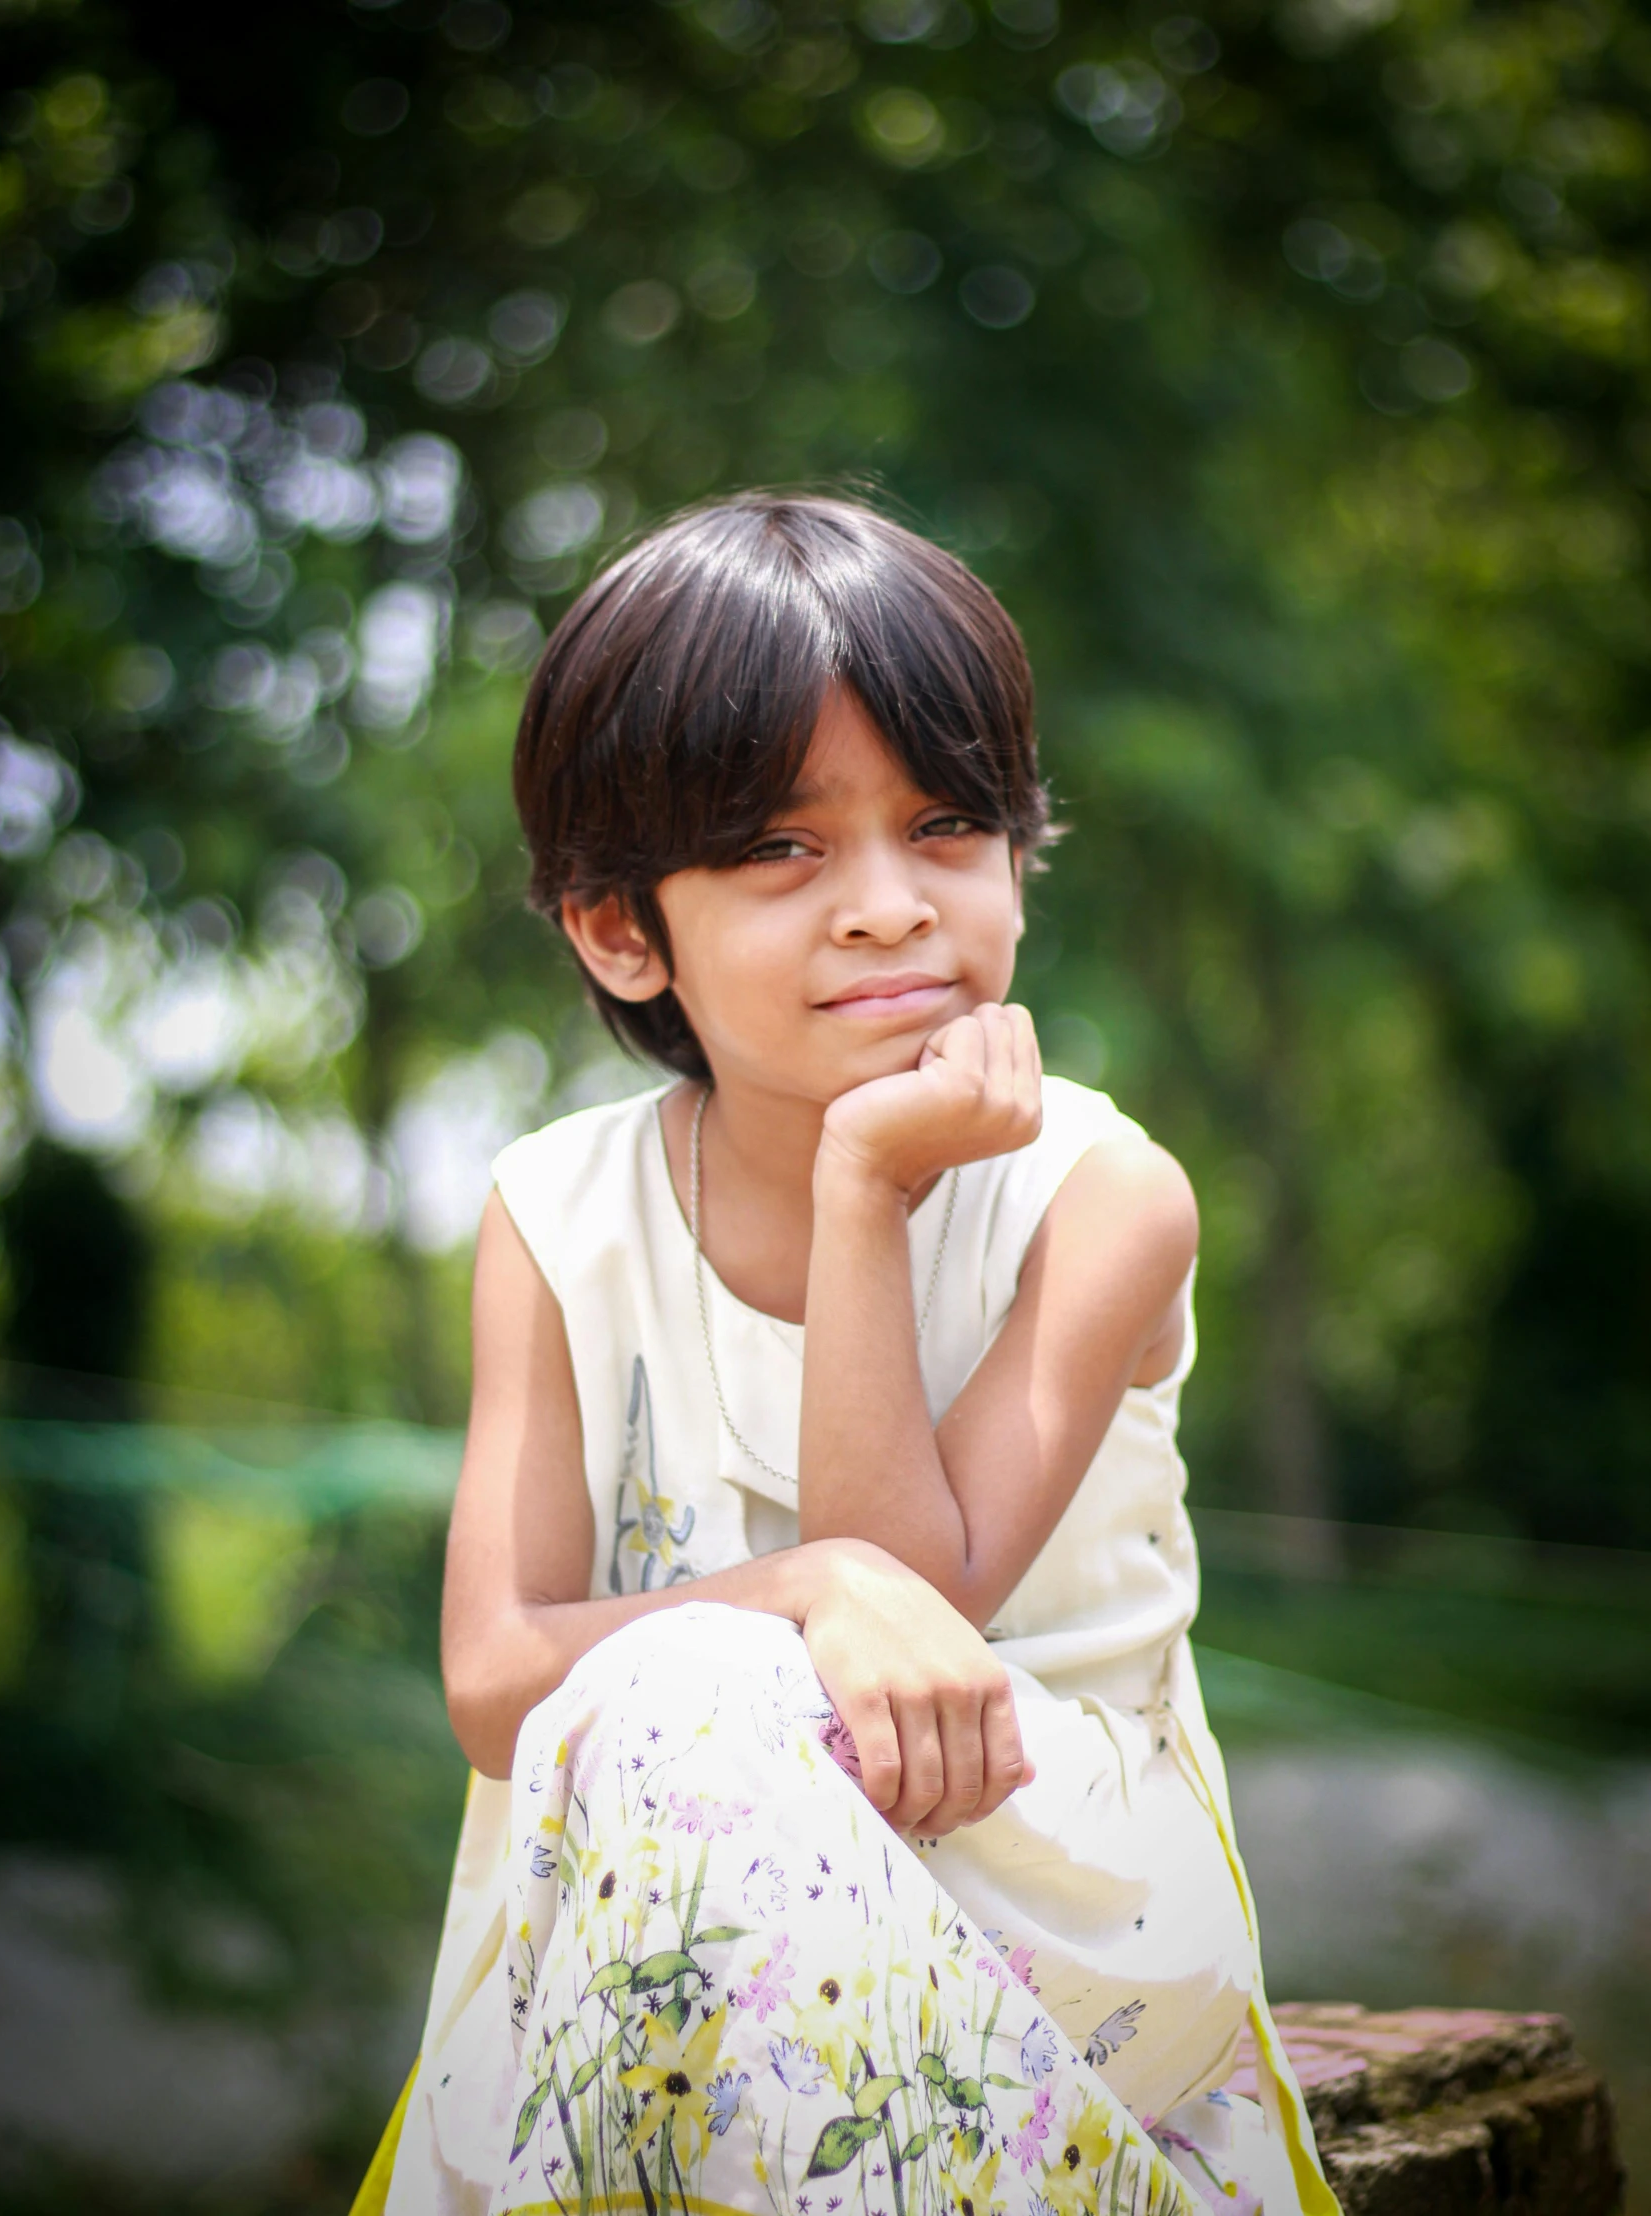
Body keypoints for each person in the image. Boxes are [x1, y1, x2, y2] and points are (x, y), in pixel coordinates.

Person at [357, 495, 1338, 2216]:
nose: (888, 909)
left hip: (1052, 1909)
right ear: (616, 927)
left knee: (692, 1689)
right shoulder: (557, 1211)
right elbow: (500, 1681)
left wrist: (867, 1187)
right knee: (688, 1700)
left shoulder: (1100, 1197)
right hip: (667, 1924)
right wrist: (798, 1586)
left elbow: (918, 1615)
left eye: (945, 824)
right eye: (779, 851)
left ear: (1017, 854)